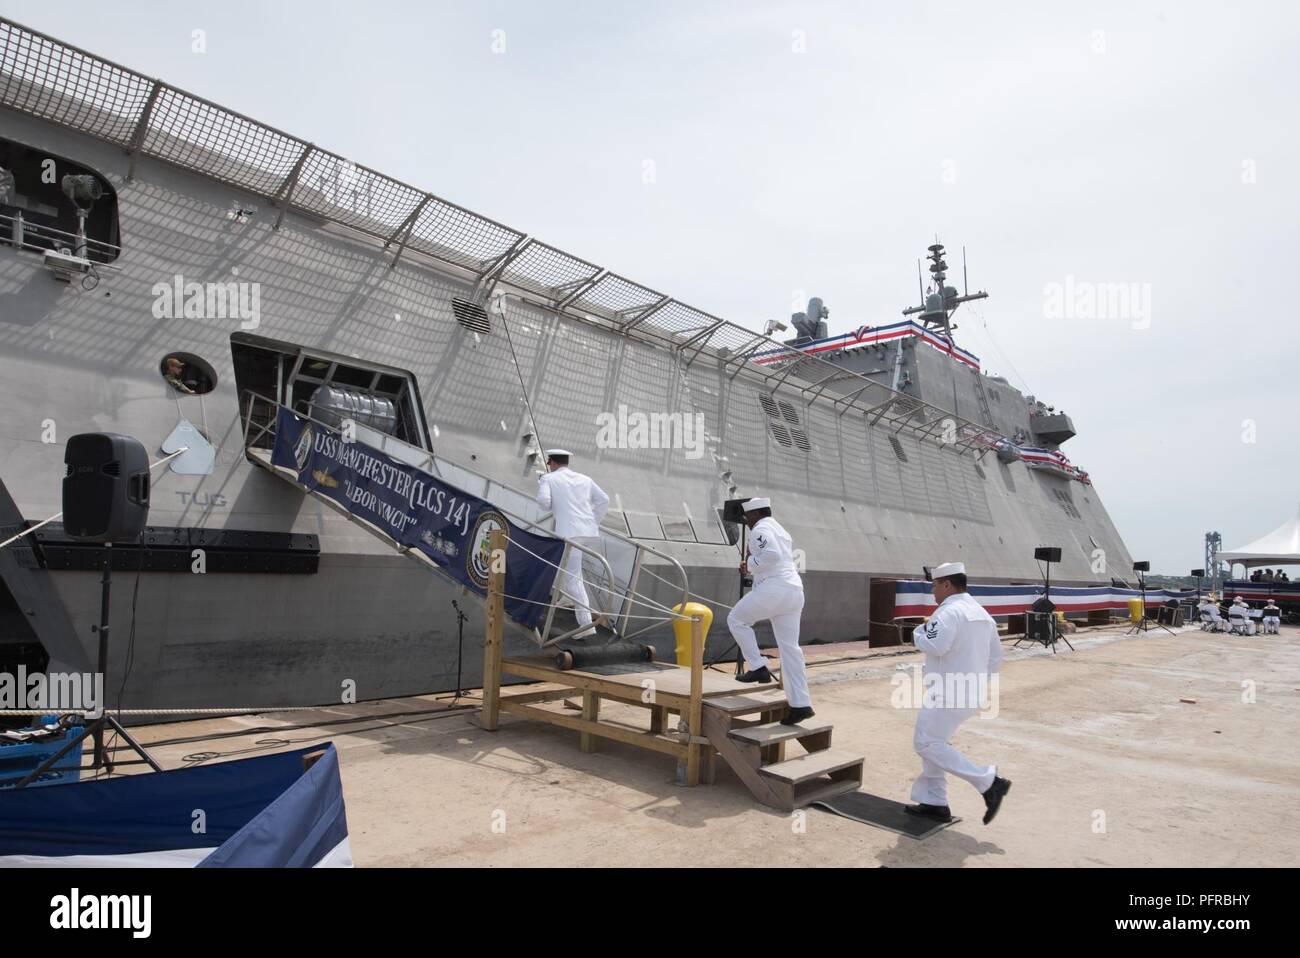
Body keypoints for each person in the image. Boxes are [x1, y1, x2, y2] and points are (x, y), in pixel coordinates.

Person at [906, 561, 1011, 826]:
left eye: (934, 585)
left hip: (947, 690)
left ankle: (988, 782)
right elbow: (997, 657)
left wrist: (917, 633)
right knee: (936, 742)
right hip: (970, 691)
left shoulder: (948, 612)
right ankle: (934, 802)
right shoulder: (981, 613)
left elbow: (936, 644)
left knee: (926, 743)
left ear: (946, 584)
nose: (933, 591)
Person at [727, 497, 813, 725]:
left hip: (775, 589)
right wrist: (755, 564)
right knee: (790, 649)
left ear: (756, 514)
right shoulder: (781, 530)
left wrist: (750, 564)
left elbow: (771, 555)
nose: (746, 521)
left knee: (736, 619)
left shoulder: (760, 529)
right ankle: (801, 705)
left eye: (747, 517)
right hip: (794, 591)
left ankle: (757, 667)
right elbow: (777, 556)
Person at [536, 449, 609, 639]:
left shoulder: (548, 479)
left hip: (570, 534)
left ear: (551, 462)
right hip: (588, 532)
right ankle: (567, 598)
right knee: (568, 568)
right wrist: (592, 521)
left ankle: (586, 626)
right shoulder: (584, 479)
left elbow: (544, 503)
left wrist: (557, 506)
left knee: (573, 578)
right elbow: (604, 500)